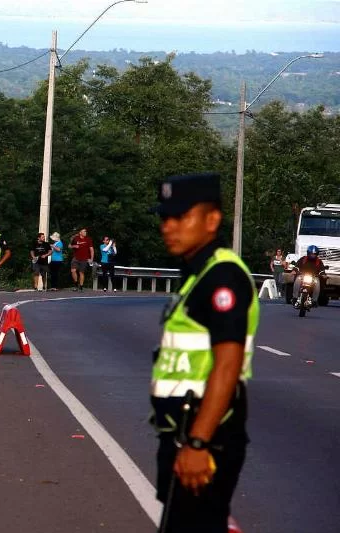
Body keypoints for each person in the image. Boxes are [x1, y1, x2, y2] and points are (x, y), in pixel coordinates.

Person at [151, 172, 259, 533]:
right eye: (165, 217)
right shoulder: (195, 273)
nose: (169, 226)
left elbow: (227, 365)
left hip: (206, 436)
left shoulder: (221, 276)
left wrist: (198, 442)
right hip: (184, 432)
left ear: (212, 220)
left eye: (181, 217)